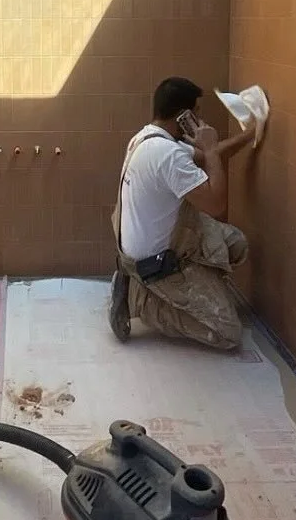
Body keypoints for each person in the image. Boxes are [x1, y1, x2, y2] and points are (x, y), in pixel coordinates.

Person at [109, 77, 256, 349]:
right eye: (196, 112)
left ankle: (196, 289)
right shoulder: (167, 155)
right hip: (156, 263)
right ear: (183, 116)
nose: (200, 118)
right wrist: (209, 147)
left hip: (161, 242)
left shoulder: (149, 138)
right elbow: (216, 205)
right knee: (228, 334)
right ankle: (139, 299)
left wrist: (248, 136)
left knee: (235, 244)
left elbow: (202, 159)